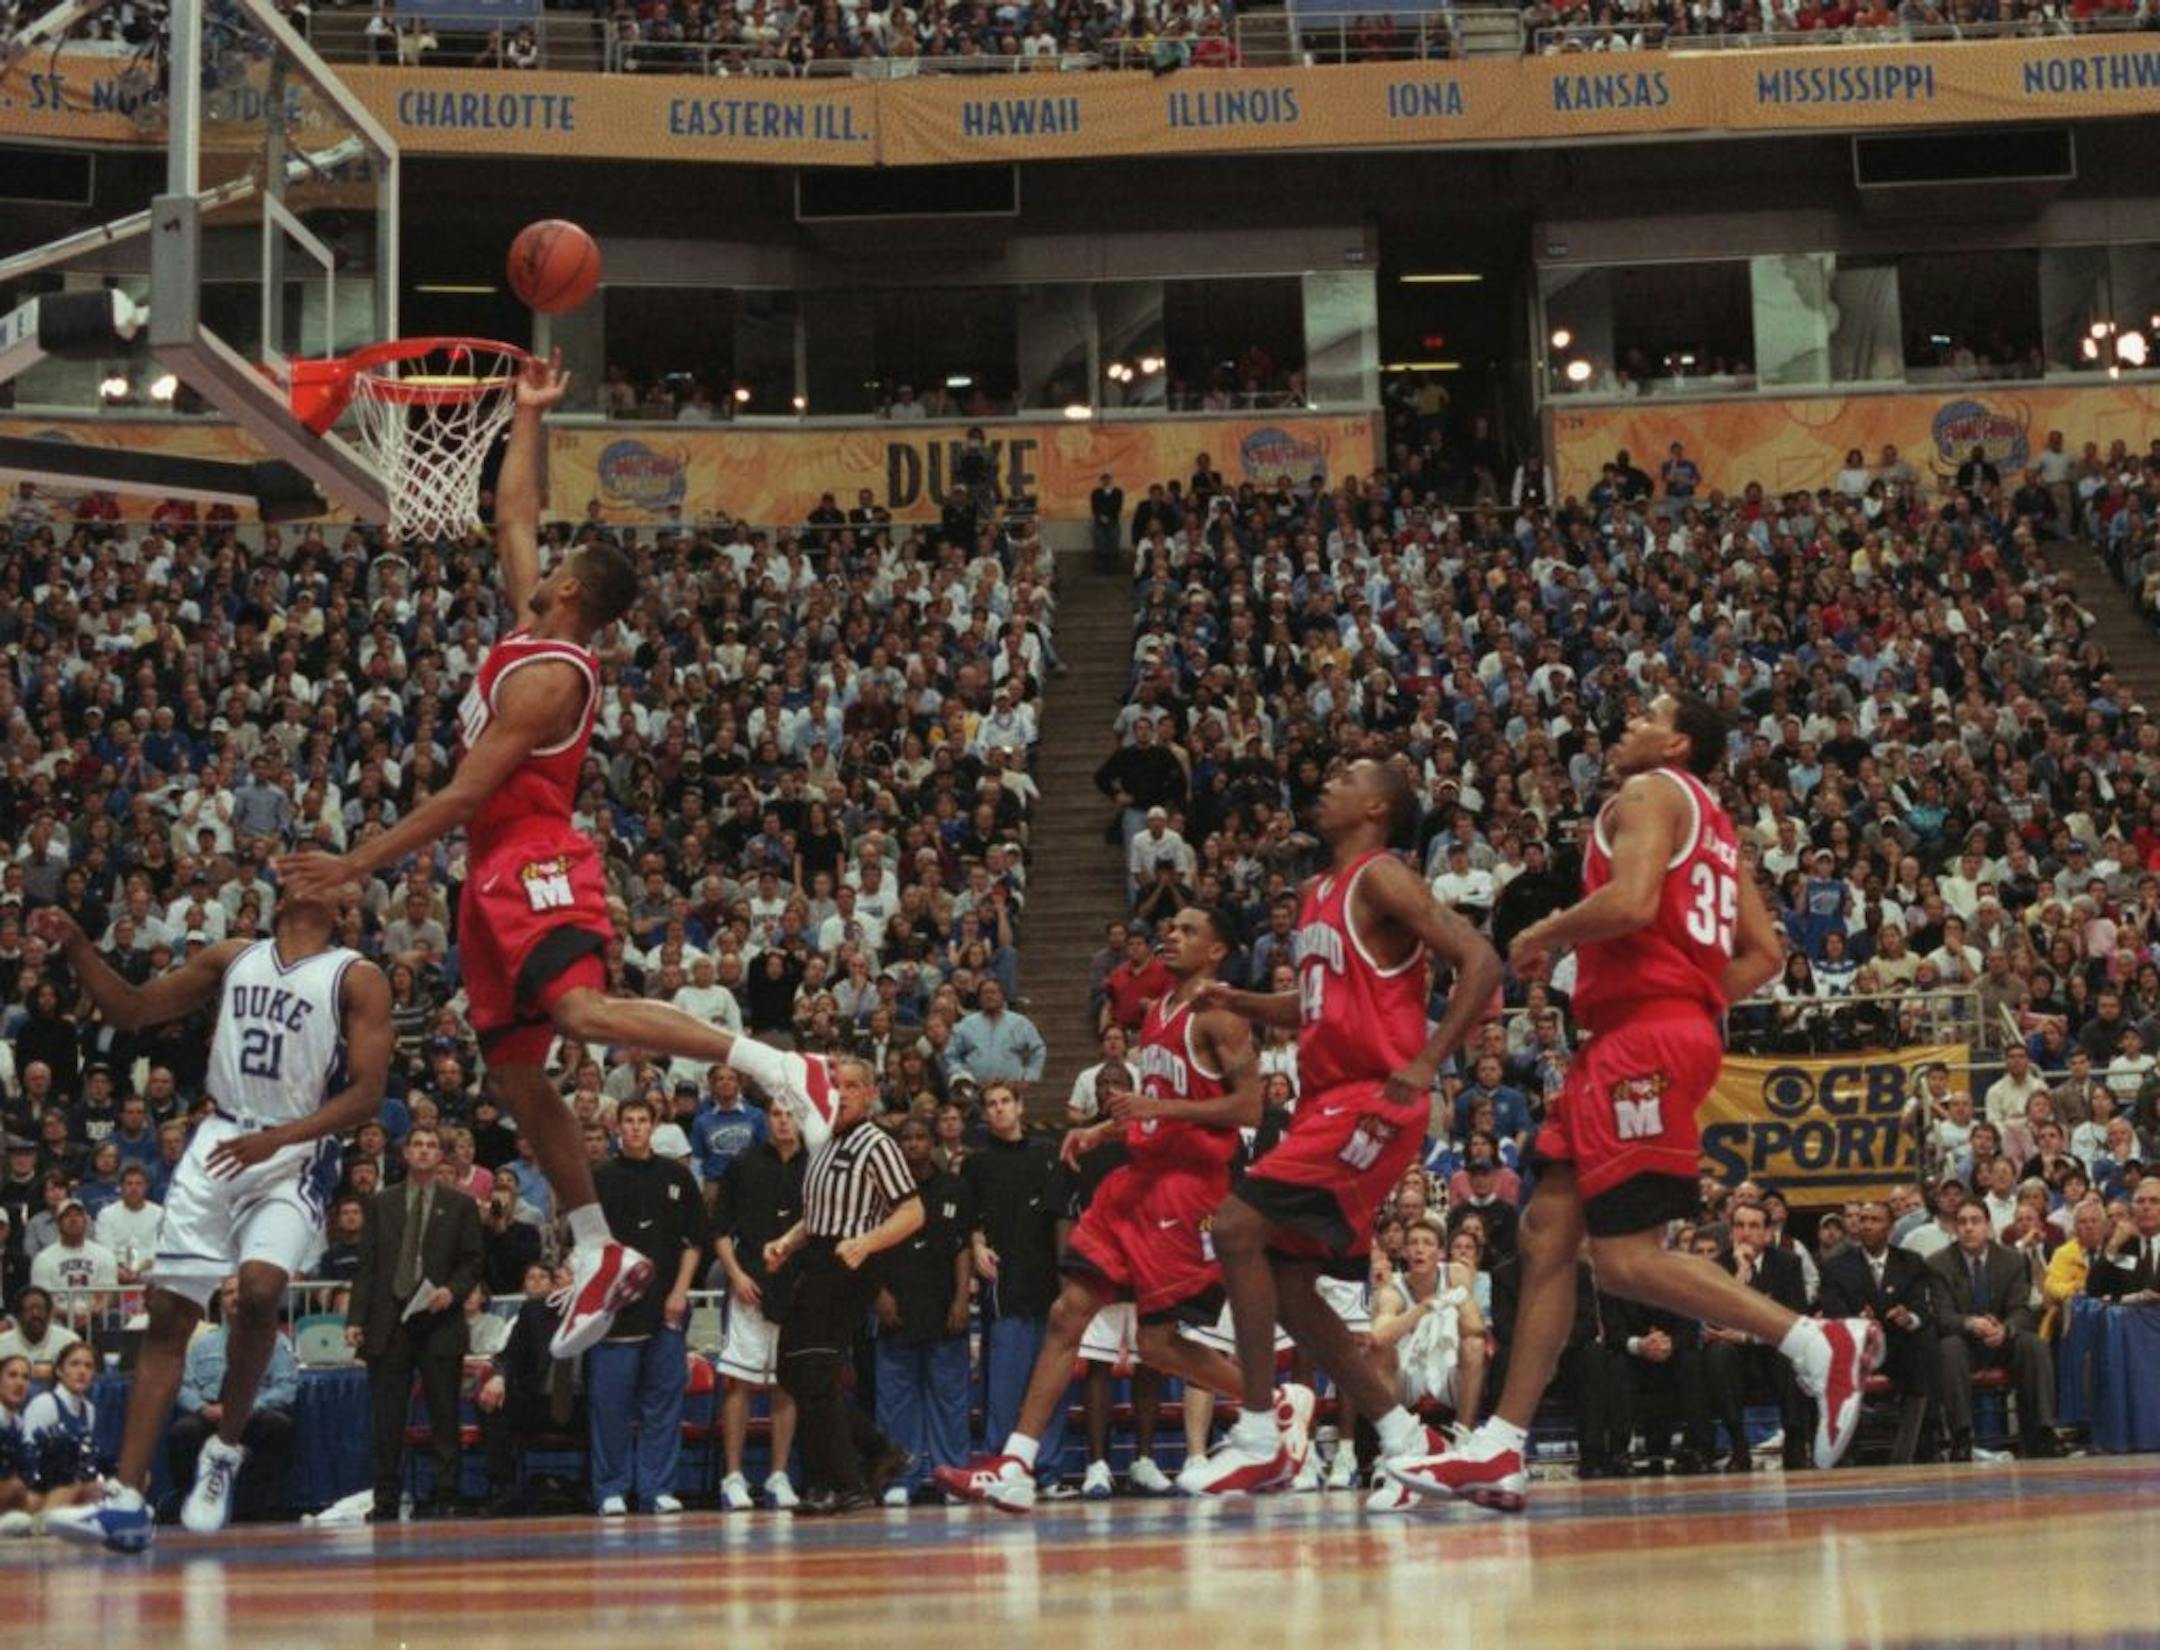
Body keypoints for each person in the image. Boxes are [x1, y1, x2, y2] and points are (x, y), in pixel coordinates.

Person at [277, 351, 844, 1360]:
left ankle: (778, 1063)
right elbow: (513, 515)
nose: (544, 558)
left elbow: (461, 796)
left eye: (562, 560)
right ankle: (596, 1249)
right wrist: (529, 414)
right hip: (491, 874)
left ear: (574, 591)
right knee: (512, 1073)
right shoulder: (533, 626)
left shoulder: (548, 678)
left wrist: (352, 865)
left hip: (533, 851)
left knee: (580, 1013)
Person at [1389, 695, 1880, 1513]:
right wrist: (1687, 1001)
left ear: (1677, 741)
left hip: (1641, 1043)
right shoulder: (1717, 826)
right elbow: (1764, 954)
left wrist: (1545, 930)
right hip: (1637, 1036)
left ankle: (1815, 1340)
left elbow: (1630, 903)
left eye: (1643, 713)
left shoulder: (1651, 791)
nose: (1625, 722)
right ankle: (1501, 1449)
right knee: (1547, 1230)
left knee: (1622, 1258)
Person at [1184, 758, 1502, 1499]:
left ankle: (1262, 1430)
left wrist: (1428, 1060)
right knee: (1292, 1285)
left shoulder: (1383, 877)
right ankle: (1403, 1439)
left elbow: (1481, 960)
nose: (1327, 783)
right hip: (1324, 1101)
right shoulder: (1317, 894)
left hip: (1371, 1100)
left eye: (1346, 778)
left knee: (1235, 1229)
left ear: (1379, 809)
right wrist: (1244, 1001)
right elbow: (1317, 1007)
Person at [40, 898, 391, 1554]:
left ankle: (226, 1447)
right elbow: (133, 1008)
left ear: (344, 904)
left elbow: (367, 1095)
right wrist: (78, 946)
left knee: (258, 1292)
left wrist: (279, 1139)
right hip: (220, 1138)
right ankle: (124, 1500)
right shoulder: (234, 956)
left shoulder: (355, 974)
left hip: (295, 1150)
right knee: (170, 1316)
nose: (301, 868)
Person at [940, 907, 1262, 1514]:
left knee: (1162, 1345)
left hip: (1186, 1190)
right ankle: (1017, 1461)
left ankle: (1270, 1405)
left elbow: (1247, 1110)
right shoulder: (1157, 1013)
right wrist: (1098, 1132)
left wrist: (1156, 1113)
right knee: (1068, 1313)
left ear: (1217, 952)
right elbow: (1155, 1105)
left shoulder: (1223, 1017)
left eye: (1189, 930)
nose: (1172, 934)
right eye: (1172, 927)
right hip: (1137, 1180)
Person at [761, 1057, 922, 1516]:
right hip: (816, 1258)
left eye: (853, 1086)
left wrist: (867, 1243)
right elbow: (817, 1217)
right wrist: (787, 1243)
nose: (843, 1093)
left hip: (850, 1265)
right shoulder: (825, 1143)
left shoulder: (877, 1144)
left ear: (870, 1094)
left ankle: (845, 1482)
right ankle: (874, 1451)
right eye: (837, 1086)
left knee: (814, 1372)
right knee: (794, 1372)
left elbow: (912, 1212)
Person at [348, 1125, 486, 1520]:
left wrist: (453, 1291)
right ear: (405, 1154)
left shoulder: (459, 1205)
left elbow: (473, 1261)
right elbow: (367, 1267)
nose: (424, 1152)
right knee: (387, 1419)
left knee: (444, 1414)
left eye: (431, 1147)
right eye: (417, 1146)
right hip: (389, 1321)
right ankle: (386, 1499)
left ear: (441, 1156)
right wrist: (356, 1318)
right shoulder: (380, 1204)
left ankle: (445, 1495)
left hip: (439, 1319)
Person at [588, 1095, 708, 1516]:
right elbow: (586, 1246)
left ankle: (658, 1487)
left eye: (643, 1120)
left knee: (663, 1403)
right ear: (616, 1127)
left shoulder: (677, 1175)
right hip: (613, 1312)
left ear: (654, 1125)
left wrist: (680, 1292)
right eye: (629, 1121)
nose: (636, 1127)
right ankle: (611, 1489)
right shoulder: (599, 1178)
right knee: (611, 1406)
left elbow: (694, 1242)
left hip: (666, 1308)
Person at [961, 1081, 1069, 1486]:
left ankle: (1049, 1470)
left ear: (1020, 1107)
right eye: (991, 1104)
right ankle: (1000, 1466)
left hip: (1049, 1283)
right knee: (1003, 1389)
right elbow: (968, 1220)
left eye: (1006, 1102)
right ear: (985, 1113)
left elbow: (1063, 1218)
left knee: (1051, 1382)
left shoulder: (1047, 1155)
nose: (999, 1109)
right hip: (1004, 1286)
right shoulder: (977, 1164)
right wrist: (975, 1245)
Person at [871, 1115, 974, 1506]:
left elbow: (963, 1246)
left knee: (950, 1397)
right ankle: (901, 1478)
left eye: (920, 1137)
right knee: (896, 1401)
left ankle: (952, 1478)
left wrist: (962, 1299)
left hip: (944, 1306)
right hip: (895, 1308)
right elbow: (867, 1247)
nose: (913, 1144)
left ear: (932, 1142)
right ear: (896, 1146)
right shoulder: (880, 1192)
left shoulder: (954, 1188)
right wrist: (879, 1295)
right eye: (906, 1138)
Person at [713, 1103, 804, 1512]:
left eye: (790, 1113)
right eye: (775, 1113)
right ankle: (733, 1477)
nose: (783, 1120)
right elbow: (718, 1231)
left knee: (788, 1383)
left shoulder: (815, 1167)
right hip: (749, 1287)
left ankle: (778, 1475)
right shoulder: (743, 1165)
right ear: (764, 1119)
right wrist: (735, 1274)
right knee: (739, 1382)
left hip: (799, 1290)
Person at [1926, 1198, 2061, 1460]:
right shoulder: (1938, 1264)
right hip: (1964, 1343)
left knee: (2034, 1344)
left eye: (1975, 1221)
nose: (1968, 1228)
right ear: (1954, 1229)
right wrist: (1970, 1323)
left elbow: (2022, 1311)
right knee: (1949, 1347)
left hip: (2003, 1342)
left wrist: (2006, 1330)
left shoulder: (2011, 1260)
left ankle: (2042, 1433)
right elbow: (1942, 1316)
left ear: (1988, 1226)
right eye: (1962, 1222)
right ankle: (1962, 1437)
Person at [165, 1275, 301, 1522]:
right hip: (211, 1415)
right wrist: (202, 1407)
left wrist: (248, 1407)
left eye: (241, 1291)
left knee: (279, 1427)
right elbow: (183, 1386)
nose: (236, 1297)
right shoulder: (201, 1345)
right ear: (220, 1303)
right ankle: (188, 1504)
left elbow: (287, 1387)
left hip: (254, 1414)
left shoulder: (275, 1342)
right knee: (182, 1432)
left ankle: (264, 1509)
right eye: (228, 1293)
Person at [1818, 1199, 1939, 1464]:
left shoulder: (1911, 1262)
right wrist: (1855, 1321)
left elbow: (1923, 1309)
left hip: (1899, 1346)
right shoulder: (1836, 1266)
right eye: (1863, 1220)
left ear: (1890, 1227)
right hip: (1855, 1350)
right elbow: (1831, 1310)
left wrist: (1909, 1318)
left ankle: (1915, 1447)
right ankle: (1843, 1451)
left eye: (1875, 1220)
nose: (1867, 1226)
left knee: (1924, 1347)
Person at [0, 1286, 77, 1380]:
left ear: (50, 1314)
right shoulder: (2, 1344)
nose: (35, 1314)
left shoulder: (69, 1341)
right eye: (28, 1309)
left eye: (40, 1309)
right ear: (18, 1316)